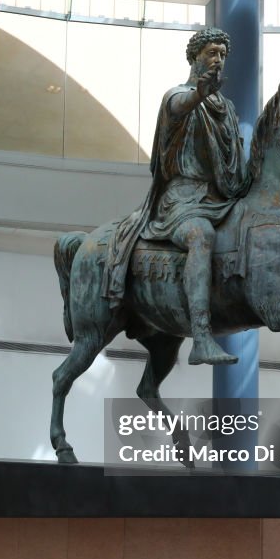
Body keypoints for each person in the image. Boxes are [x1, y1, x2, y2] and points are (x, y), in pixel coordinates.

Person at [105, 27, 250, 366]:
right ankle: (201, 337)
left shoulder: (226, 107)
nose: (218, 60)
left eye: (222, 55)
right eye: (211, 53)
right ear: (195, 56)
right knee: (201, 236)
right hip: (182, 200)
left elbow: (235, 162)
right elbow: (181, 105)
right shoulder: (178, 96)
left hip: (222, 198)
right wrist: (200, 93)